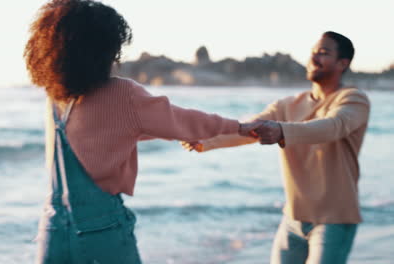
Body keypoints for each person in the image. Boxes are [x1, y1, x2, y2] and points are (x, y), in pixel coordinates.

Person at [24, 1, 258, 263]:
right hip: (102, 229)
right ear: (104, 48)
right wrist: (239, 127)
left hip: (52, 229)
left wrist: (165, 131)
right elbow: (181, 119)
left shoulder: (55, 97)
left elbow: (103, 135)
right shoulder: (122, 93)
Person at [182, 31, 370, 264]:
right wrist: (205, 139)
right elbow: (249, 128)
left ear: (343, 63)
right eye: (312, 53)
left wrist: (281, 131)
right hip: (292, 219)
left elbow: (333, 127)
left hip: (335, 219)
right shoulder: (288, 104)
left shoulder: (354, 99)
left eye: (323, 53)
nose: (314, 58)